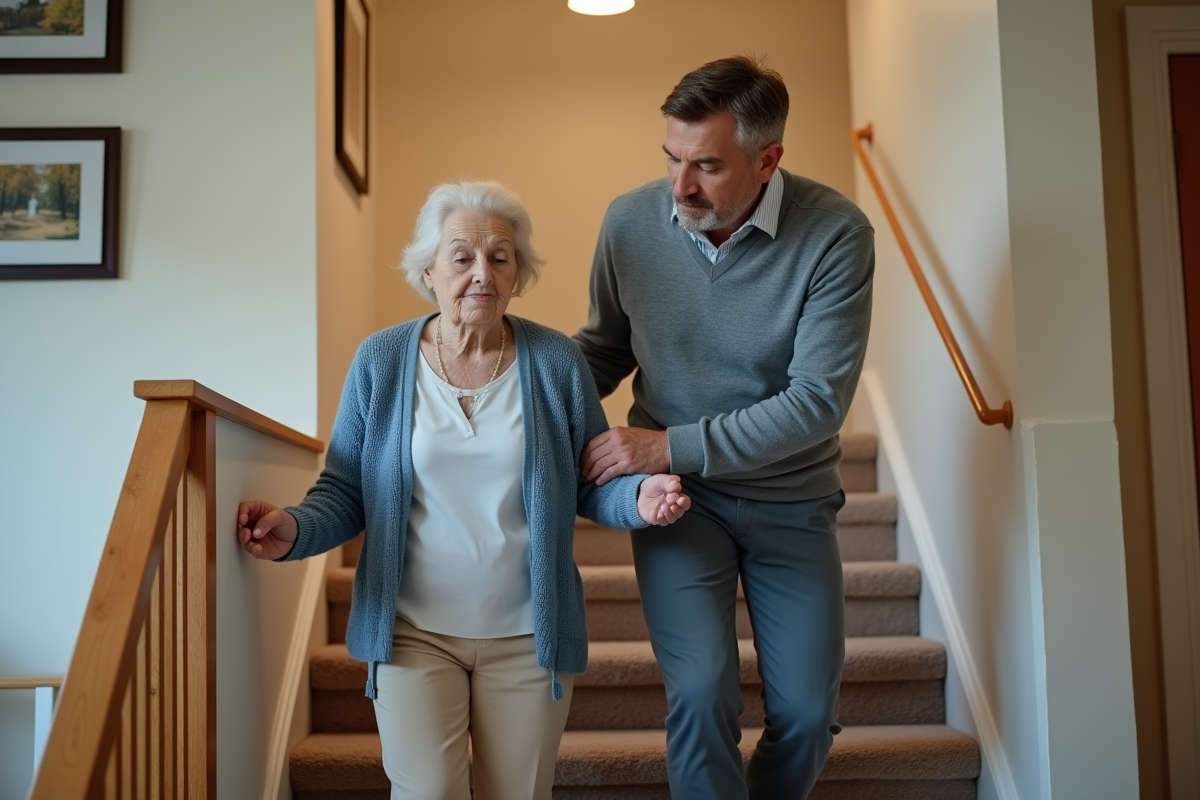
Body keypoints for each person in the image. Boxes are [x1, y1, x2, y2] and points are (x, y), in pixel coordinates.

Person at [237, 180, 691, 800]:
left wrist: (638, 500)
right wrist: (294, 528)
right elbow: (345, 490)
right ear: (428, 270)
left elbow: (591, 482)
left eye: (500, 258)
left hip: (531, 637)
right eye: (462, 256)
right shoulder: (381, 361)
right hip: (412, 633)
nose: (482, 273)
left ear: (517, 273)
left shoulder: (556, 362)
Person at [573, 56, 874, 799]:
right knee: (703, 694)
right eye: (671, 159)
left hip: (790, 501)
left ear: (767, 159)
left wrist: (667, 442)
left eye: (706, 165)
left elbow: (815, 403)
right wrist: (500, 391)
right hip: (678, 501)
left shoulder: (835, 233)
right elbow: (603, 350)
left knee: (808, 714)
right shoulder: (628, 222)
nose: (680, 187)